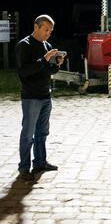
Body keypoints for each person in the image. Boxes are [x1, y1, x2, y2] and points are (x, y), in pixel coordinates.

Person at [15, 15, 65, 181]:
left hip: (45, 96)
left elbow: (48, 71)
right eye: (46, 30)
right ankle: (24, 169)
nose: (48, 34)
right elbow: (24, 72)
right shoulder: (24, 45)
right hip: (31, 97)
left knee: (42, 132)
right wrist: (44, 60)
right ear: (36, 26)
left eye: (50, 31)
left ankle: (40, 163)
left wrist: (56, 64)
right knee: (28, 134)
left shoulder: (47, 45)